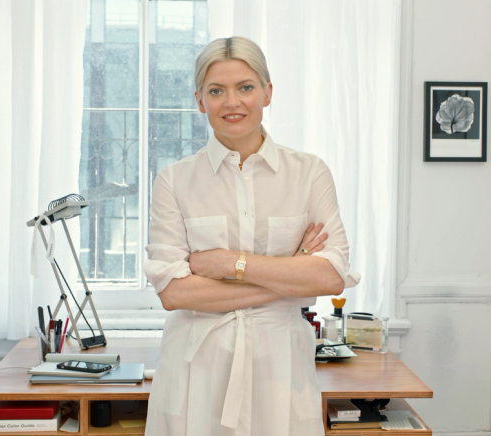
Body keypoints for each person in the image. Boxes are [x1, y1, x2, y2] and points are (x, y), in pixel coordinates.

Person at [142, 36, 360, 436]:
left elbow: (330, 276)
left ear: (267, 92)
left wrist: (230, 264)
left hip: (280, 371)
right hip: (195, 372)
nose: (232, 102)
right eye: (216, 91)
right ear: (199, 100)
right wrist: (291, 275)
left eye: (245, 87)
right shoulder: (174, 181)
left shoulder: (309, 173)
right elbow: (174, 294)